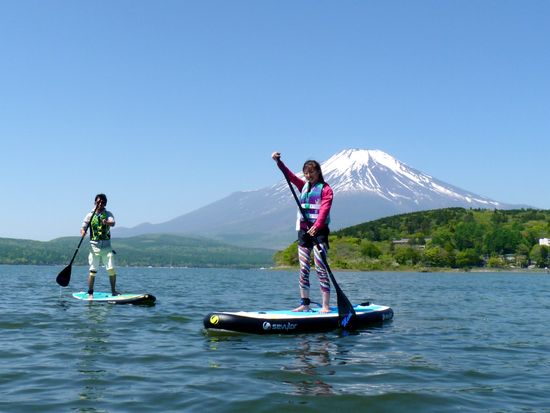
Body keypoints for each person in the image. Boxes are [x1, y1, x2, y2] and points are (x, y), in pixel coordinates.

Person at [272, 151, 334, 313]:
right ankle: (304, 303)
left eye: (311, 172)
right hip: (304, 232)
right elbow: (290, 176)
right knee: (304, 268)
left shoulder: (326, 189)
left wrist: (318, 225)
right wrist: (279, 162)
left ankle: (326, 306)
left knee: (320, 268)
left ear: (318, 172)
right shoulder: (303, 186)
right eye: (306, 173)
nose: (308, 176)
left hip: (319, 233)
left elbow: (325, 209)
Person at [81, 193, 118, 298]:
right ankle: (90, 293)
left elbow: (113, 222)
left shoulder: (108, 214)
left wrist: (106, 222)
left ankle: (113, 291)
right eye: (98, 202)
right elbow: (83, 227)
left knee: (111, 269)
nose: (100, 204)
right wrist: (83, 232)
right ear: (95, 202)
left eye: (102, 202)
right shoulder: (89, 215)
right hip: (94, 247)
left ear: (105, 204)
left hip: (106, 247)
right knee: (92, 270)